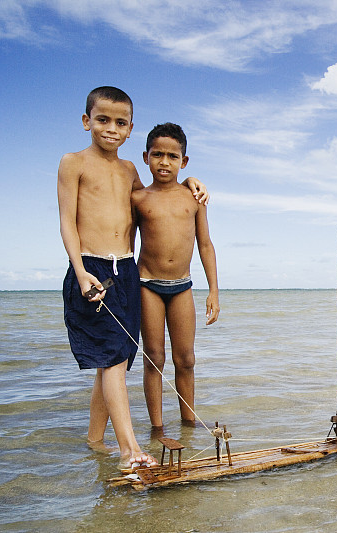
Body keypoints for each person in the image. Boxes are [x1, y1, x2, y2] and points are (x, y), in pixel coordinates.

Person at [58, 86, 208, 468]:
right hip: (92, 269)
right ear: (86, 121)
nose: (111, 128)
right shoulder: (72, 163)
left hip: (125, 271)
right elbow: (67, 223)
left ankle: (95, 441)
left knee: (116, 358)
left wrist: (190, 182)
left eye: (120, 123)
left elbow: (159, 197)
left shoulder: (128, 171)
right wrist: (80, 273)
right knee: (113, 358)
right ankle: (129, 450)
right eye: (103, 120)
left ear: (129, 128)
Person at [132, 122, 220, 433]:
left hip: (182, 286)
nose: (164, 162)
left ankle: (189, 425)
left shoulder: (193, 198)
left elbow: (205, 244)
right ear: (146, 157)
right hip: (147, 286)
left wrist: (213, 290)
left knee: (186, 360)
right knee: (154, 358)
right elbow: (125, 244)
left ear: (184, 161)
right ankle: (157, 430)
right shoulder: (138, 198)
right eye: (157, 154)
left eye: (172, 156)